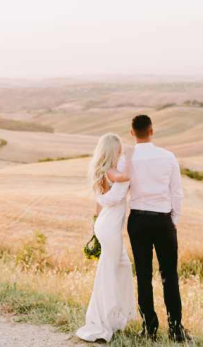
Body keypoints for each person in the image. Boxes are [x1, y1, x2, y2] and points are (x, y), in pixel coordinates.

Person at [126, 114, 190, 342]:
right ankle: (175, 329)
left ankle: (149, 328)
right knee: (169, 275)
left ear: (132, 132)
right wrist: (174, 220)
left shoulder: (128, 159)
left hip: (138, 220)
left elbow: (121, 190)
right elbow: (176, 192)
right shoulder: (168, 157)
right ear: (151, 130)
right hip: (163, 220)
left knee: (143, 275)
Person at [75, 134, 137, 342]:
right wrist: (129, 156)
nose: (120, 153)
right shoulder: (112, 172)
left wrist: (94, 224)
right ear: (112, 151)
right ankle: (101, 321)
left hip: (105, 223)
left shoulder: (103, 171)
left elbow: (98, 203)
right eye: (118, 151)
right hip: (109, 227)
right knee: (108, 272)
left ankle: (112, 316)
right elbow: (127, 177)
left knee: (121, 267)